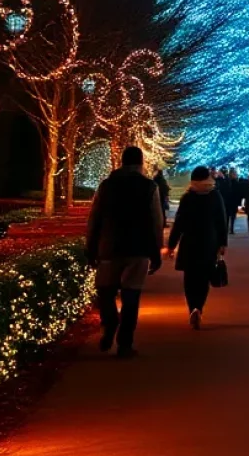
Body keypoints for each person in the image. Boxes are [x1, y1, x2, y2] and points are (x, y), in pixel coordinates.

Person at [85, 145, 164, 358]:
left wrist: (91, 248)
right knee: (131, 296)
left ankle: (110, 323)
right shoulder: (149, 187)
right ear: (140, 163)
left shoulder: (106, 186)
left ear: (121, 162)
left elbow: (94, 219)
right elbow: (157, 222)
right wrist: (156, 252)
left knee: (105, 292)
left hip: (109, 248)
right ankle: (125, 343)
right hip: (138, 249)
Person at [167, 165, 228, 329]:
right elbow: (222, 221)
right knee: (204, 278)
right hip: (209, 242)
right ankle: (198, 308)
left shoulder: (188, 197)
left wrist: (171, 245)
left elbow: (179, 223)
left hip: (190, 242)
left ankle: (192, 307)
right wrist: (223, 243)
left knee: (190, 278)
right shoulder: (215, 195)